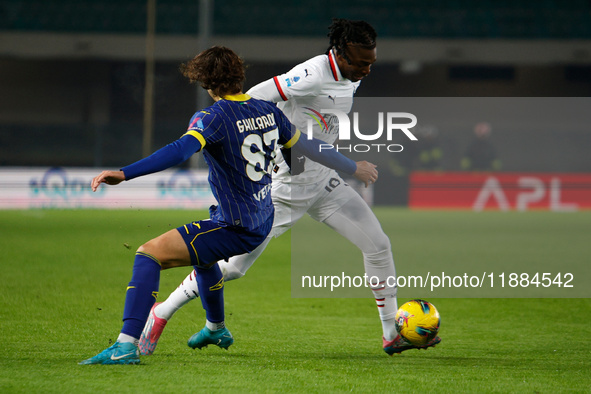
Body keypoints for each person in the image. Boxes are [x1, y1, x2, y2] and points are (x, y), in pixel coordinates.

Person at [139, 19, 441, 357]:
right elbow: (251, 100)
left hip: (324, 184)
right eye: (359, 63)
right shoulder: (311, 75)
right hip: (287, 187)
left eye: (371, 62)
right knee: (234, 267)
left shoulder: (350, 77)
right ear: (338, 54)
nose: (366, 70)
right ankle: (161, 311)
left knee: (379, 245)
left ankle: (390, 335)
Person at [79, 46, 377, 365]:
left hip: (235, 226)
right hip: (261, 217)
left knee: (149, 254)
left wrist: (124, 173)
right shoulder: (268, 111)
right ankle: (216, 328)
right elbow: (310, 147)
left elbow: (180, 151)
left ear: (205, 82)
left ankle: (125, 346)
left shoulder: (212, 117)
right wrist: (351, 166)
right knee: (204, 260)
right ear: (240, 75)